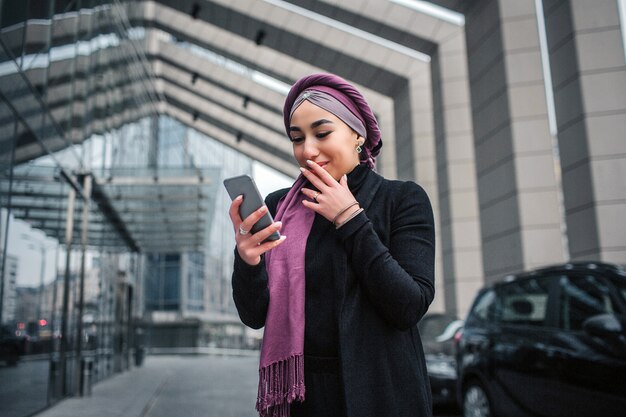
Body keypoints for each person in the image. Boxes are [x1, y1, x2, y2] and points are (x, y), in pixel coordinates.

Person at [229, 73, 435, 417]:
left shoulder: (400, 199)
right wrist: (247, 261)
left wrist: (350, 218)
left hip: (382, 393)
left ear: (358, 134)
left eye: (322, 133)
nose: (308, 150)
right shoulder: (279, 207)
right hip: (301, 397)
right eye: (297, 138)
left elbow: (408, 306)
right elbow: (254, 316)